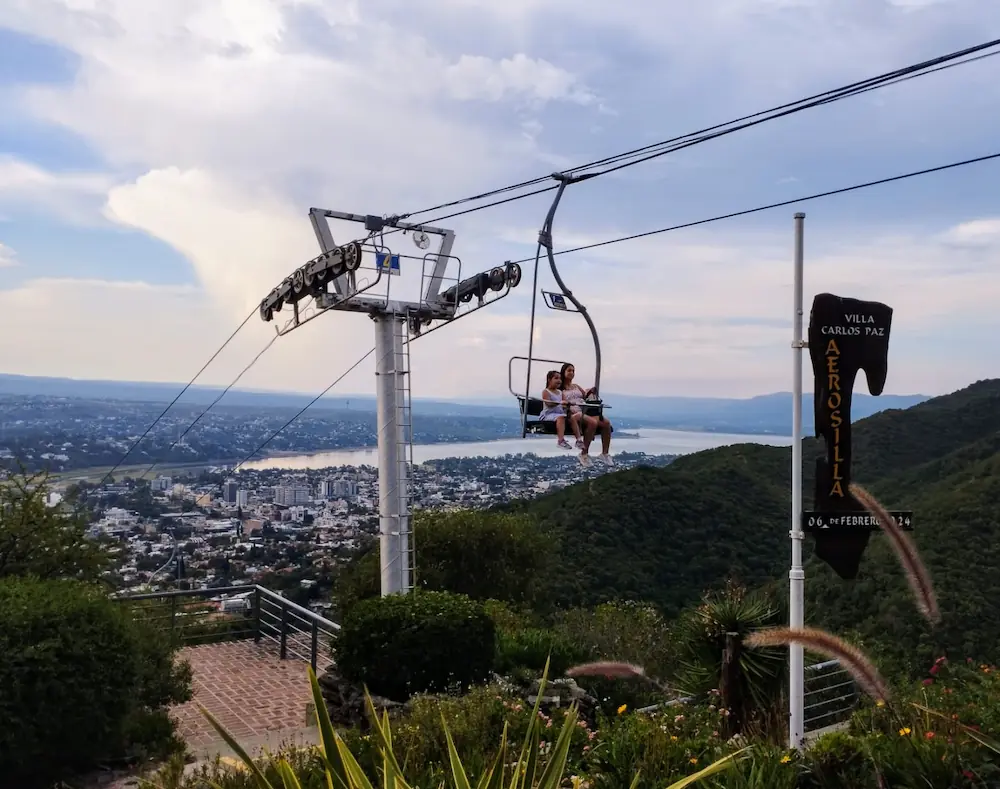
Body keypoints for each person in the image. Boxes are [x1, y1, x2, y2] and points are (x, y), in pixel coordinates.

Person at [559, 362, 613, 467]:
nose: (572, 373)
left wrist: (590, 392)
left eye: (573, 371)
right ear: (563, 372)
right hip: (572, 412)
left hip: (584, 410)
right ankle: (584, 453)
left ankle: (605, 453)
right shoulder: (560, 389)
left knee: (606, 423)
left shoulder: (576, 386)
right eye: (569, 370)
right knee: (593, 422)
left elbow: (585, 396)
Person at [540, 370, 581, 449]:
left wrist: (567, 405)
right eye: (556, 378)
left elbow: (565, 403)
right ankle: (560, 440)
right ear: (549, 380)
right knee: (561, 418)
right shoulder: (546, 391)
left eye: (560, 379)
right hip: (548, 414)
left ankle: (579, 439)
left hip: (559, 414)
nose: (559, 380)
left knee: (571, 418)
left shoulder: (560, 392)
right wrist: (559, 402)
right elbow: (548, 403)